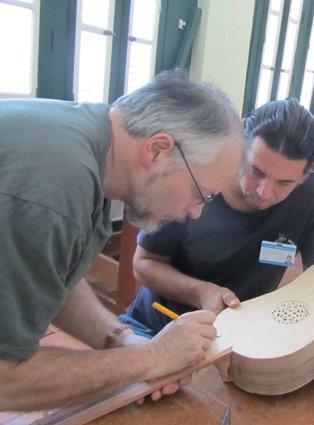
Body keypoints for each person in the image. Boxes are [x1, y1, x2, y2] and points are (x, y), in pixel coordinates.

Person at [0, 70, 244, 411]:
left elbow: (56, 279)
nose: (196, 212)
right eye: (199, 194)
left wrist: (124, 342)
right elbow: (6, 379)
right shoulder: (56, 188)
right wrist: (148, 359)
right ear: (158, 150)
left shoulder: (89, 145)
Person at [125, 98, 314, 415]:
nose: (264, 192)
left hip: (245, 347)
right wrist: (201, 291)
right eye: (256, 171)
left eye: (285, 183)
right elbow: (143, 263)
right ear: (240, 148)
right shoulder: (199, 179)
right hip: (157, 332)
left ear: (305, 176)